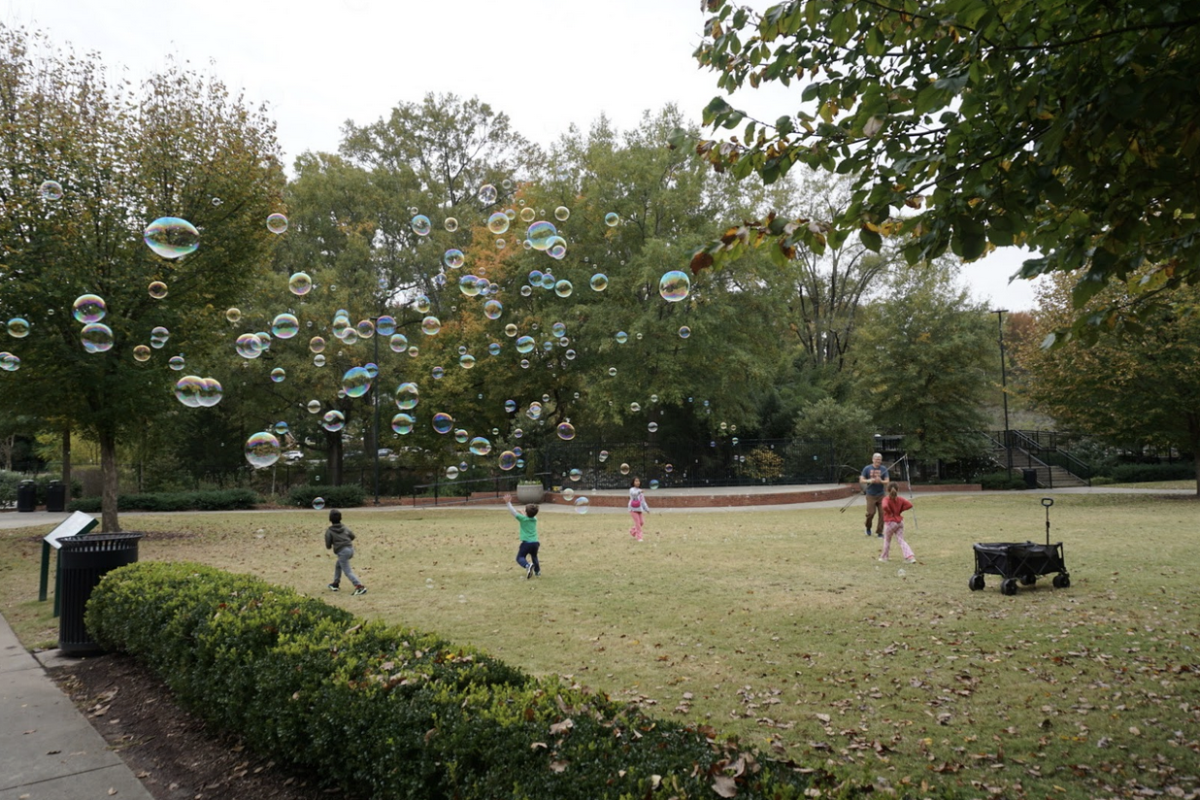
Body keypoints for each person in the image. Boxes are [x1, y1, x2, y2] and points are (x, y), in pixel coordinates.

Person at [324, 509, 367, 595]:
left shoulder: (329, 531)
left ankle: (359, 586)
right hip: (350, 549)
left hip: (342, 552)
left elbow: (328, 545)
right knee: (338, 565)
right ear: (341, 518)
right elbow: (352, 536)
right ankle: (335, 584)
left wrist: (333, 543)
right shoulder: (344, 527)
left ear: (330, 519)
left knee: (347, 571)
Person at [504, 494, 540, 578]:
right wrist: (523, 512)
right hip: (535, 543)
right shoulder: (534, 519)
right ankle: (537, 572)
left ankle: (527, 566)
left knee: (520, 557)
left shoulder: (523, 519)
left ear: (526, 512)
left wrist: (508, 503)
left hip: (526, 543)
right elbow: (528, 516)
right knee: (534, 556)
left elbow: (513, 512)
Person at [879, 484, 916, 563]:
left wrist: (889, 513)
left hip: (890, 523)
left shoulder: (886, 499)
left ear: (887, 490)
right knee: (901, 540)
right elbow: (910, 505)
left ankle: (884, 557)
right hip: (899, 522)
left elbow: (885, 506)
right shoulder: (900, 499)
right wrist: (900, 510)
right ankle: (910, 556)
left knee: (887, 540)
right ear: (897, 490)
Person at [859, 452, 890, 537]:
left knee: (883, 513)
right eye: (876, 459)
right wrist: (870, 480)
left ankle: (880, 532)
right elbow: (862, 480)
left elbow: (887, 481)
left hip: (881, 495)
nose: (878, 461)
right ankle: (868, 527)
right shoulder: (867, 468)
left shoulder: (883, 469)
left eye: (879, 459)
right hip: (871, 495)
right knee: (871, 513)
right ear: (873, 459)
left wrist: (881, 481)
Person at [628, 477, 650, 541]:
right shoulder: (632, 489)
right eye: (636, 481)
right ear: (633, 482)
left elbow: (643, 502)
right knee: (637, 524)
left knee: (641, 522)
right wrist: (640, 491)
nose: (638, 482)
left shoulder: (640, 492)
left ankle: (632, 531)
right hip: (633, 509)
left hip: (639, 509)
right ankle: (639, 537)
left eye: (638, 481)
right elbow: (634, 494)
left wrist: (647, 509)